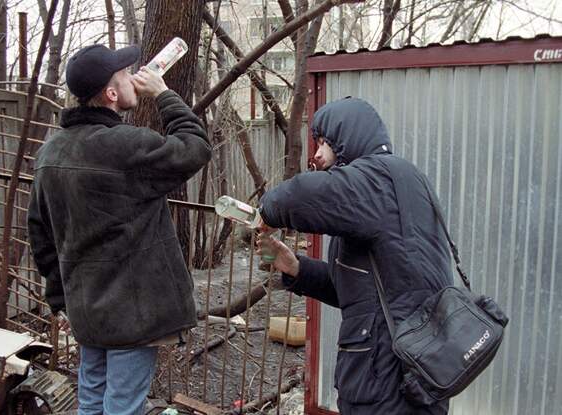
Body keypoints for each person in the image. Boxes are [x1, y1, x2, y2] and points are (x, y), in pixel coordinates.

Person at [27, 44, 212, 415]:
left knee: (92, 402)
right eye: (126, 74)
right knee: (123, 407)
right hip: (134, 315)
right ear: (112, 94)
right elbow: (195, 147)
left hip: (88, 312)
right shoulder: (124, 146)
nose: (134, 77)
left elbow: (40, 237)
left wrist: (63, 302)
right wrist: (163, 94)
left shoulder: (50, 153)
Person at [257, 97, 452, 414]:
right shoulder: (393, 187)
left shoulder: (378, 180)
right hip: (406, 370)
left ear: (348, 139)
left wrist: (266, 210)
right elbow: (363, 295)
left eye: (323, 142)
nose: (317, 154)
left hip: (388, 378)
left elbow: (301, 196)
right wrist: (296, 268)